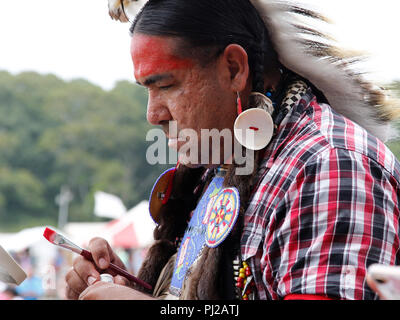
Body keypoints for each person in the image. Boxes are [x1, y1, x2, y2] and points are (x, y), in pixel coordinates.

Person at [66, 0, 400, 300]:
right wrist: (125, 286)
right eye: (147, 92)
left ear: (234, 69)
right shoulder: (220, 165)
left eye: (166, 85)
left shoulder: (331, 165)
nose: (153, 115)